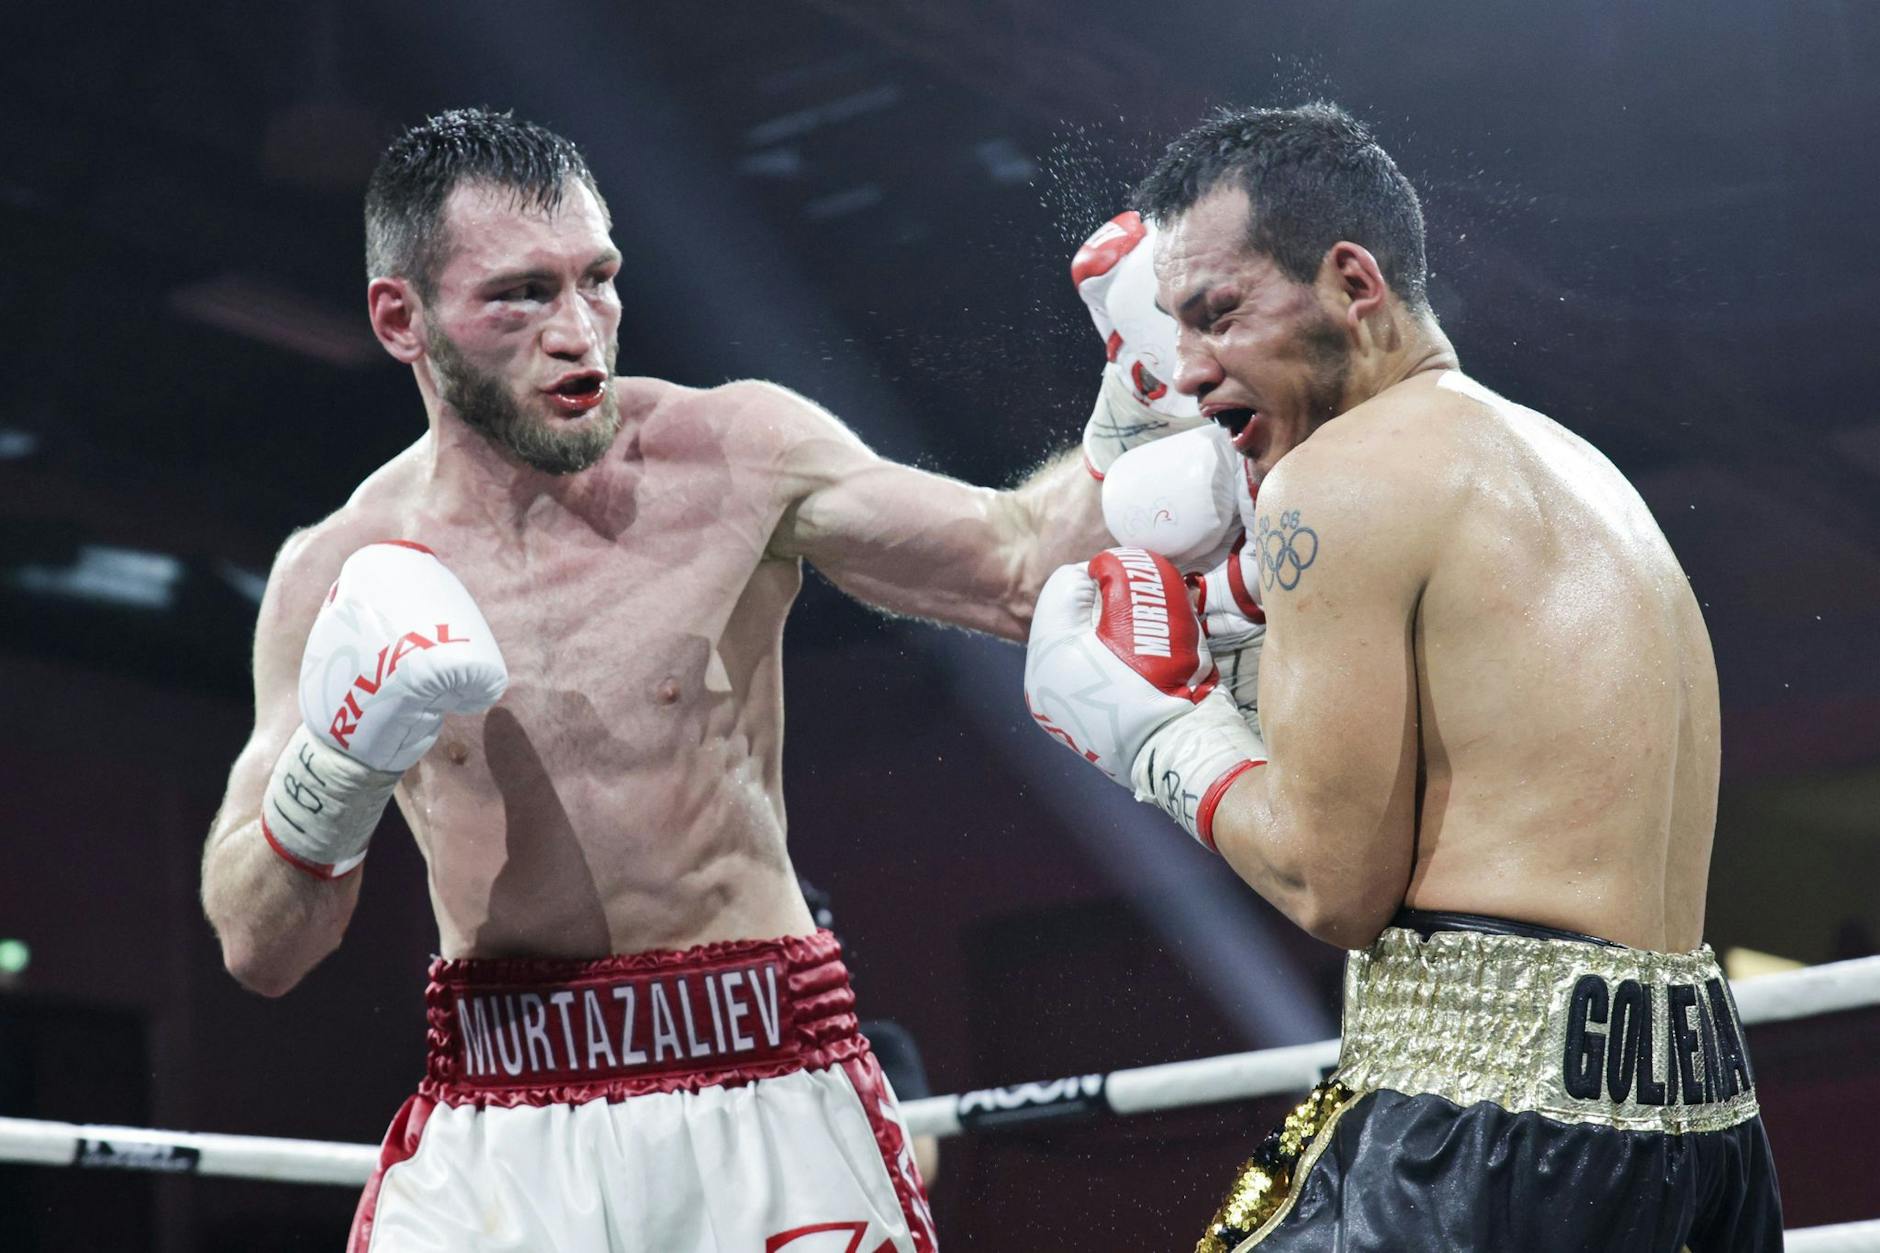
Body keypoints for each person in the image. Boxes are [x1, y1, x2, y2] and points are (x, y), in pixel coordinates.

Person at [197, 107, 1118, 1253]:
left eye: (599, 279)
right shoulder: (333, 572)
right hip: (503, 1121)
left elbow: (1024, 566)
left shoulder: (736, 454)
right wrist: (331, 773)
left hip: (762, 1077)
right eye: (521, 294)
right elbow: (259, 948)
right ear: (403, 318)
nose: (579, 330)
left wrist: (1140, 392)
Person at [1023, 102, 1783, 1251]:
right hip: (1702, 1135)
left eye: (1216, 314)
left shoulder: (1334, 484)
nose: (1185, 370)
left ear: (1351, 281)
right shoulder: (1577, 468)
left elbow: (1331, 883)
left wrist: (1156, 736)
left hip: (1485, 1136)